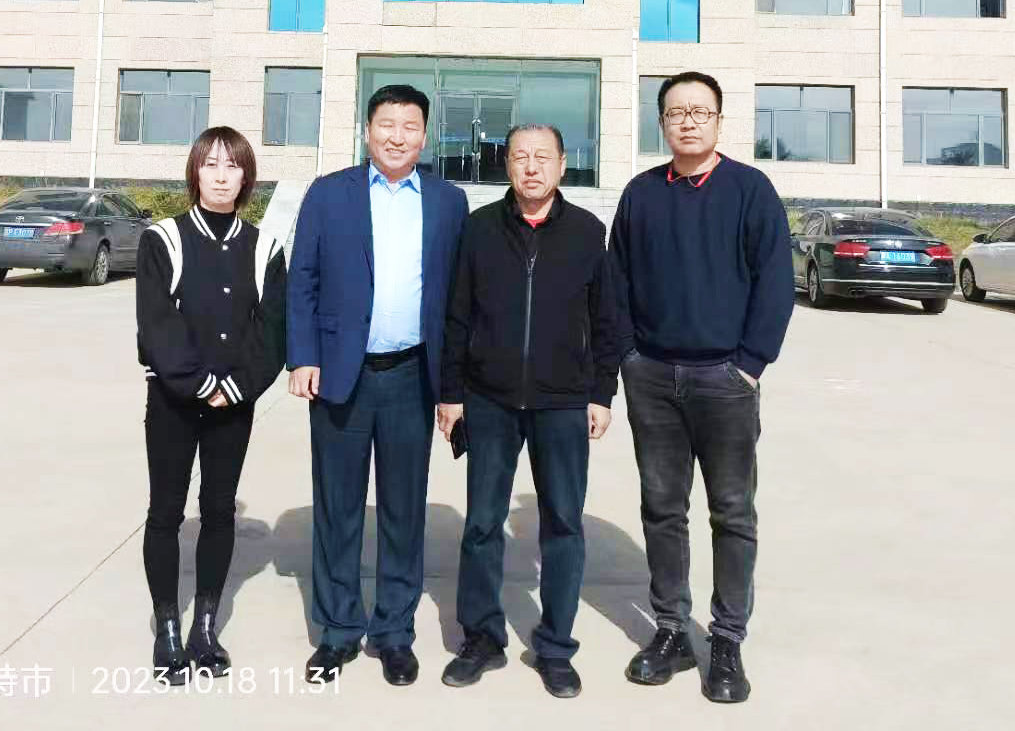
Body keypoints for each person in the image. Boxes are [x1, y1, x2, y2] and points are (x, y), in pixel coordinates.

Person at [609, 71, 794, 705]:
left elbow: (774, 282)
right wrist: (629, 356)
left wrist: (750, 364)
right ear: (661, 121)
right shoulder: (641, 194)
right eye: (676, 112)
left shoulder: (750, 190)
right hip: (652, 378)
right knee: (662, 508)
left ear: (718, 120)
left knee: (732, 511)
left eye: (700, 111)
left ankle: (727, 640)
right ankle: (671, 631)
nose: (687, 121)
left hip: (725, 380)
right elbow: (617, 281)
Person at [287, 84, 469, 686]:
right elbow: (302, 280)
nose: (397, 136)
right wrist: (302, 357)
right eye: (386, 124)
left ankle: (393, 631)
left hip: (412, 376)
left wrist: (453, 388)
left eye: (410, 126)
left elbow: (457, 299)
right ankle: (339, 630)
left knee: (403, 510)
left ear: (425, 135)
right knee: (338, 508)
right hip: (341, 375)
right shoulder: (328, 194)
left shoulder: (448, 201)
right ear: (367, 131)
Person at [436, 124, 624, 699]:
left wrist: (601, 393)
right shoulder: (480, 229)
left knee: (563, 523)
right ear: (507, 165)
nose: (532, 167)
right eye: (521, 156)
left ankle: (556, 647)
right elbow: (457, 316)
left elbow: (607, 321)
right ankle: (481, 638)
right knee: (482, 523)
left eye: (543, 157)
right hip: (489, 399)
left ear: (563, 165)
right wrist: (450, 393)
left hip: (563, 403)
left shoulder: (587, 232)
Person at [136, 126, 287, 683]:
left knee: (219, 511)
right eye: (211, 164)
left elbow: (271, 331)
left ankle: (205, 627)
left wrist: (237, 387)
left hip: (235, 405)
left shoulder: (265, 248)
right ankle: (167, 628)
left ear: (247, 177)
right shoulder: (163, 239)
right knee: (166, 512)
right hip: (173, 402)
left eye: (233, 166)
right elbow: (157, 324)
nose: (222, 176)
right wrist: (201, 384)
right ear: (195, 173)